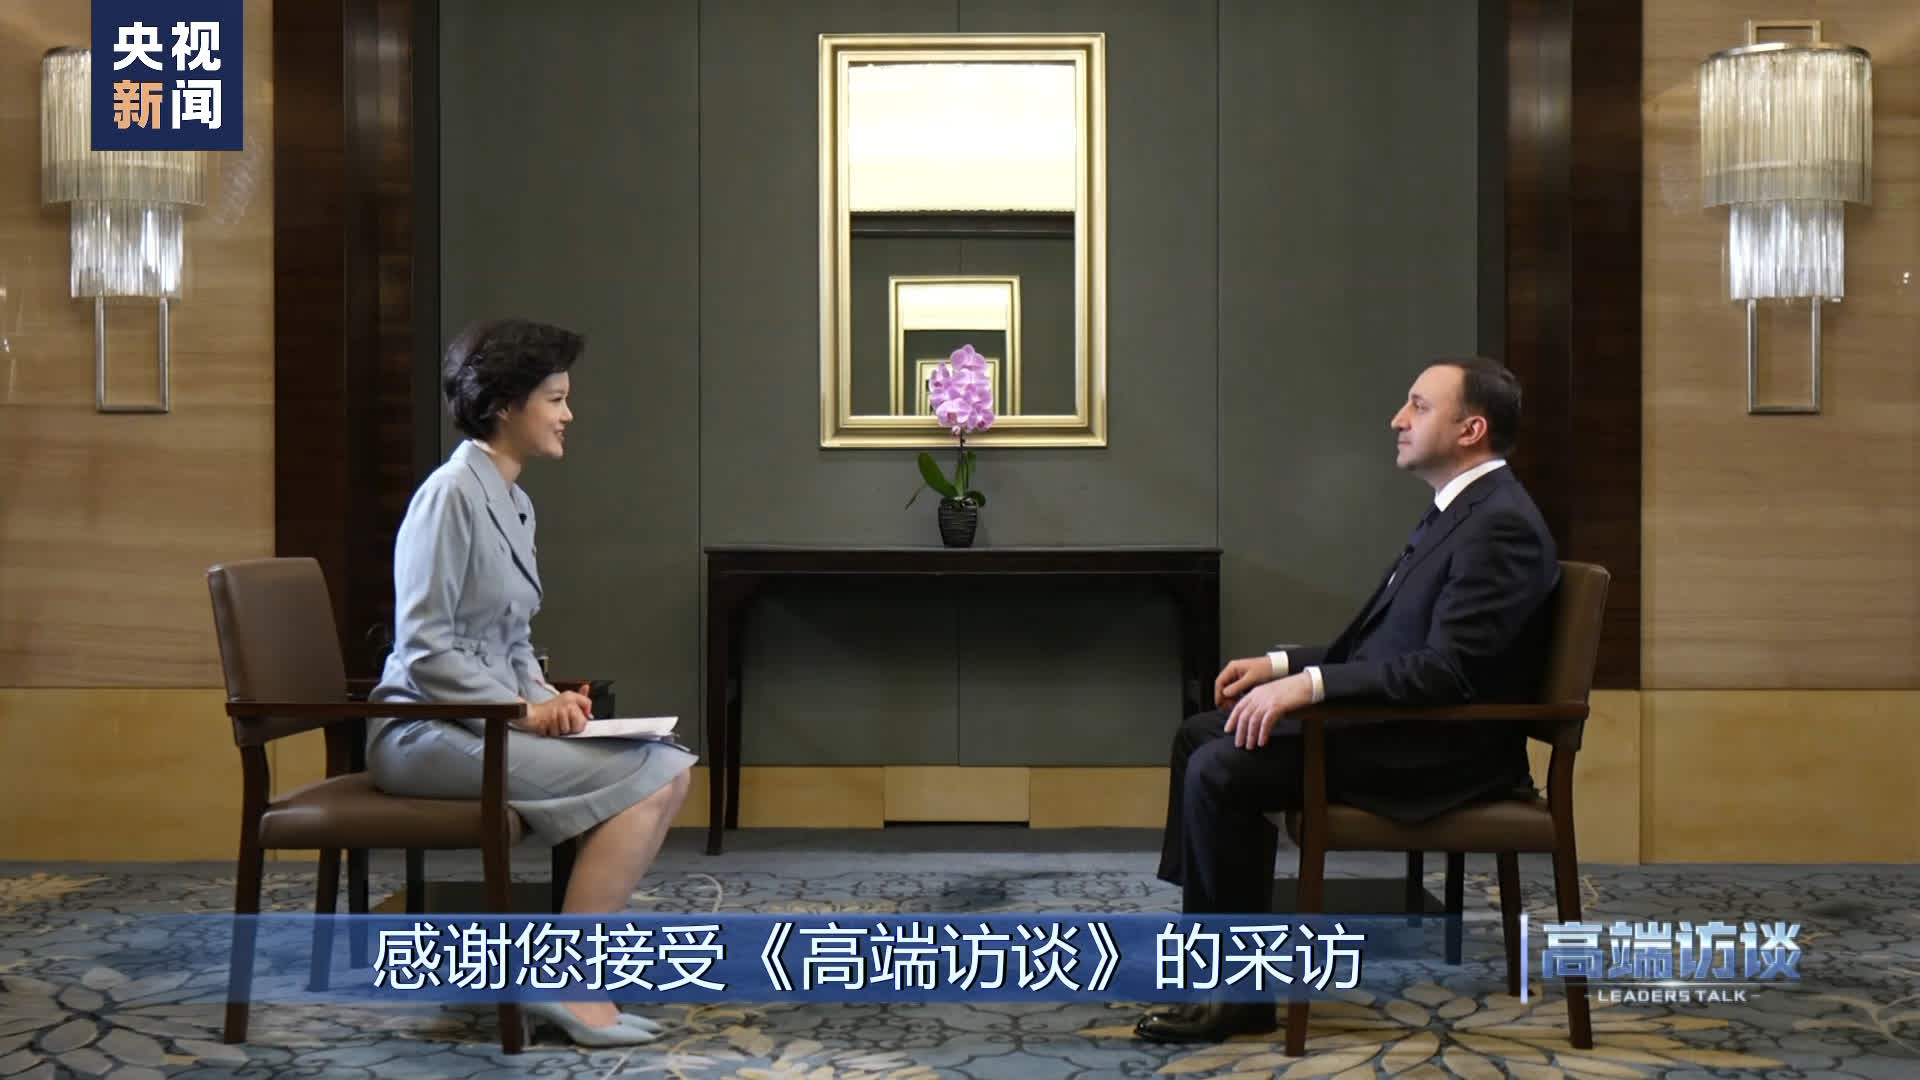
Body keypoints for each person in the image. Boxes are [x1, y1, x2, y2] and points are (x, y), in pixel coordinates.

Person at [1135, 356, 1560, 1043]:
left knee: (1221, 766)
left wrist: (1308, 686)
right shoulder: (1461, 511)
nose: (1398, 420)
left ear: (1471, 429)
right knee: (1200, 735)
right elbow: (1382, 646)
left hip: (1442, 751)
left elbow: (1446, 672)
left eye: (1419, 406)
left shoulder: (1498, 525)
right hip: (1403, 727)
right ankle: (1209, 949)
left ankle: (1234, 992)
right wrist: (1280, 665)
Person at [367, 317, 695, 1047]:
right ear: (505, 405)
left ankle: (571, 972)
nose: (568, 414)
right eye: (555, 399)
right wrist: (522, 711)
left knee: (669, 768)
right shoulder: (449, 496)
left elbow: (512, 642)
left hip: (482, 720)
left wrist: (551, 701)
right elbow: (424, 652)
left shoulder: (514, 501)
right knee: (652, 780)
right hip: (421, 731)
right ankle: (567, 981)